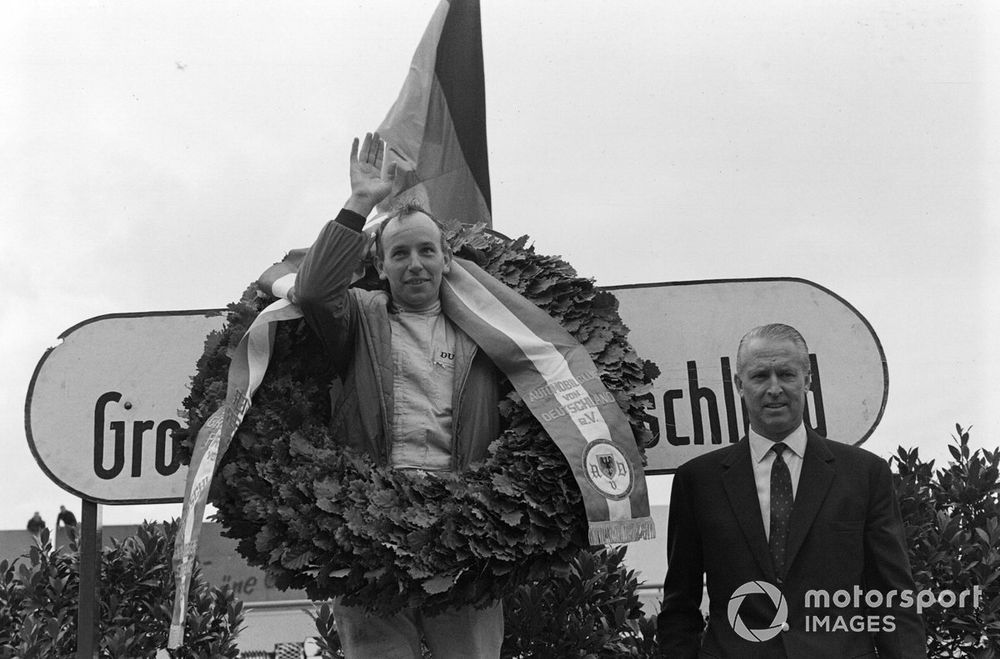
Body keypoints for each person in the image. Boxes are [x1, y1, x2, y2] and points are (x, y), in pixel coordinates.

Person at [293, 133, 503, 658]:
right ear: (380, 266)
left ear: (446, 260)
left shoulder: (490, 328)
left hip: (464, 529)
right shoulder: (361, 316)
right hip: (370, 527)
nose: (415, 264)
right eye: (400, 253)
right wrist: (360, 201)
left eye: (426, 251)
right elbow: (315, 291)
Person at [657, 323, 926, 658]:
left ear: (808, 379)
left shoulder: (864, 474)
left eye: (786, 374)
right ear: (739, 385)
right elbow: (680, 606)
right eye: (759, 376)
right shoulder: (697, 481)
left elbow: (893, 596)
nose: (774, 388)